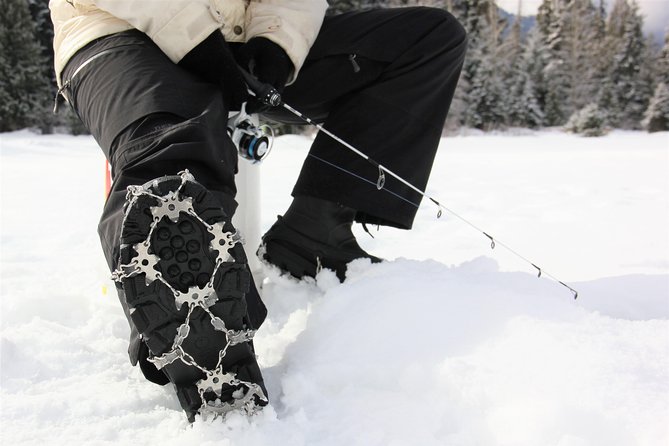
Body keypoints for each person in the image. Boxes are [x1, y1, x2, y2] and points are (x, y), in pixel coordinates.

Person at [50, 0, 467, 421]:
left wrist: (277, 44)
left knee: (426, 38)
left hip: (241, 40)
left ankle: (314, 235)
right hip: (121, 30)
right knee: (174, 160)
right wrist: (196, 39)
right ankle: (184, 325)